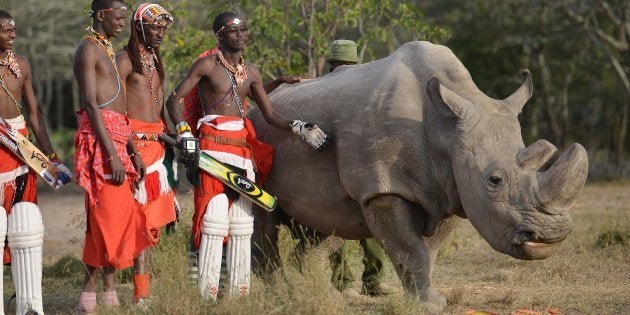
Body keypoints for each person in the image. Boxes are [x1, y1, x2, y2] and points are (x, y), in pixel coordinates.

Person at [166, 12, 331, 300]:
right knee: (213, 217)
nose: (241, 34)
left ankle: (237, 294)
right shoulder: (207, 64)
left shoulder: (250, 72)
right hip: (211, 148)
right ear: (219, 34)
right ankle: (204, 294)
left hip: (242, 152)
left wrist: (299, 127)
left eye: (243, 29)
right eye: (233, 30)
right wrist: (184, 133)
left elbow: (269, 112)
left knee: (242, 222)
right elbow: (173, 99)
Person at [73, 1, 151, 312]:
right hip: (103, 141)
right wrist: (113, 156)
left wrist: (131, 149)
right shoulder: (88, 49)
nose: (122, 24)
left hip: (121, 137)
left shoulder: (107, 49)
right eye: (118, 18)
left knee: (119, 220)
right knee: (105, 219)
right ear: (102, 15)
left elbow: (121, 108)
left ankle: (107, 292)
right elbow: (92, 105)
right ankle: (89, 294)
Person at [0, 10, 72, 314]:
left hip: (22, 151)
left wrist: (52, 158)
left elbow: (34, 113)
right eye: (4, 29)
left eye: (13, 29)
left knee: (25, 227)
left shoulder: (22, 66)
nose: (11, 33)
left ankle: (28, 303)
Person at [116, 3, 176, 307]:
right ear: (138, 28)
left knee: (151, 224)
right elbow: (114, 113)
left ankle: (142, 295)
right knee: (130, 223)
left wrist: (176, 135)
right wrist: (128, 149)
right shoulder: (124, 61)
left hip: (157, 147)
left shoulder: (154, 57)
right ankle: (110, 293)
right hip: (133, 149)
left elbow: (160, 104)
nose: (161, 33)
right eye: (155, 27)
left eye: (163, 28)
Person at [325, 39, 395, 297]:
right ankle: (342, 282)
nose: (344, 68)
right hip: (330, 169)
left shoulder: (366, 92)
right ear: (332, 66)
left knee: (372, 225)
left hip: (362, 168)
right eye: (341, 65)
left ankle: (373, 281)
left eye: (347, 65)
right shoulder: (321, 91)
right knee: (336, 227)